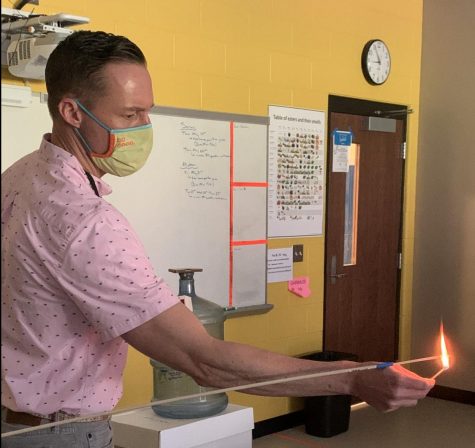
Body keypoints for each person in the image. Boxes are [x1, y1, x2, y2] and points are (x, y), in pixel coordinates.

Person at [1, 30, 434, 447]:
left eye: (148, 111)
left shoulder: (20, 178)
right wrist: (352, 377)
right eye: (130, 115)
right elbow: (203, 361)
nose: (145, 127)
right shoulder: (84, 222)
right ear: (72, 112)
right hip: (56, 434)